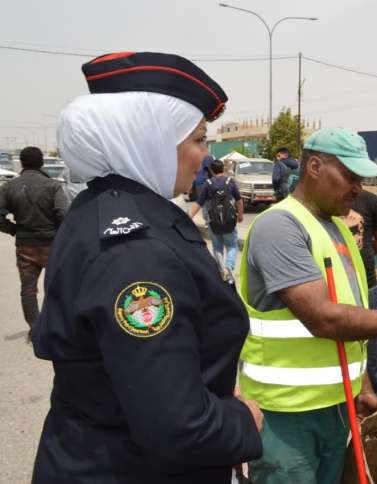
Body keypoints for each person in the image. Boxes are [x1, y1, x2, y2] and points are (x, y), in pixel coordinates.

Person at [31, 51, 263, 483]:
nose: (204, 155)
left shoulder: (105, 207)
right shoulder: (137, 251)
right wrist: (241, 420)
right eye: (197, 139)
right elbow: (177, 425)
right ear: (150, 139)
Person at [238, 127, 377, 484]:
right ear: (314, 166)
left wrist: (362, 387)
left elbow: (350, 316)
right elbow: (325, 320)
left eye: (361, 178)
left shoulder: (338, 228)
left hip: (333, 408)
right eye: (349, 176)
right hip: (285, 415)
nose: (358, 186)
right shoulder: (280, 227)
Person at [0, 146, 69, 340]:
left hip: (25, 246)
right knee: (56, 287)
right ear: (41, 163)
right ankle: (58, 326)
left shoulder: (9, 186)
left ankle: (36, 329)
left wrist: (14, 230)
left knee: (28, 290)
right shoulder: (53, 186)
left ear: (21, 163)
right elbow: (63, 214)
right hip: (52, 246)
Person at [348, 189, 377, 407]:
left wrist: (359, 258)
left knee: (374, 360)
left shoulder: (370, 201)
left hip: (368, 289)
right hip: (336, 291)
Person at [188, 158, 244, 282]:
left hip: (213, 222)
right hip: (229, 220)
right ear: (223, 169)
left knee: (217, 247)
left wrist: (189, 217)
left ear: (212, 171)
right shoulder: (230, 181)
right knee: (231, 246)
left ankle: (221, 268)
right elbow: (239, 200)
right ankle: (229, 266)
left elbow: (199, 203)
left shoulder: (207, 184)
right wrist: (240, 214)